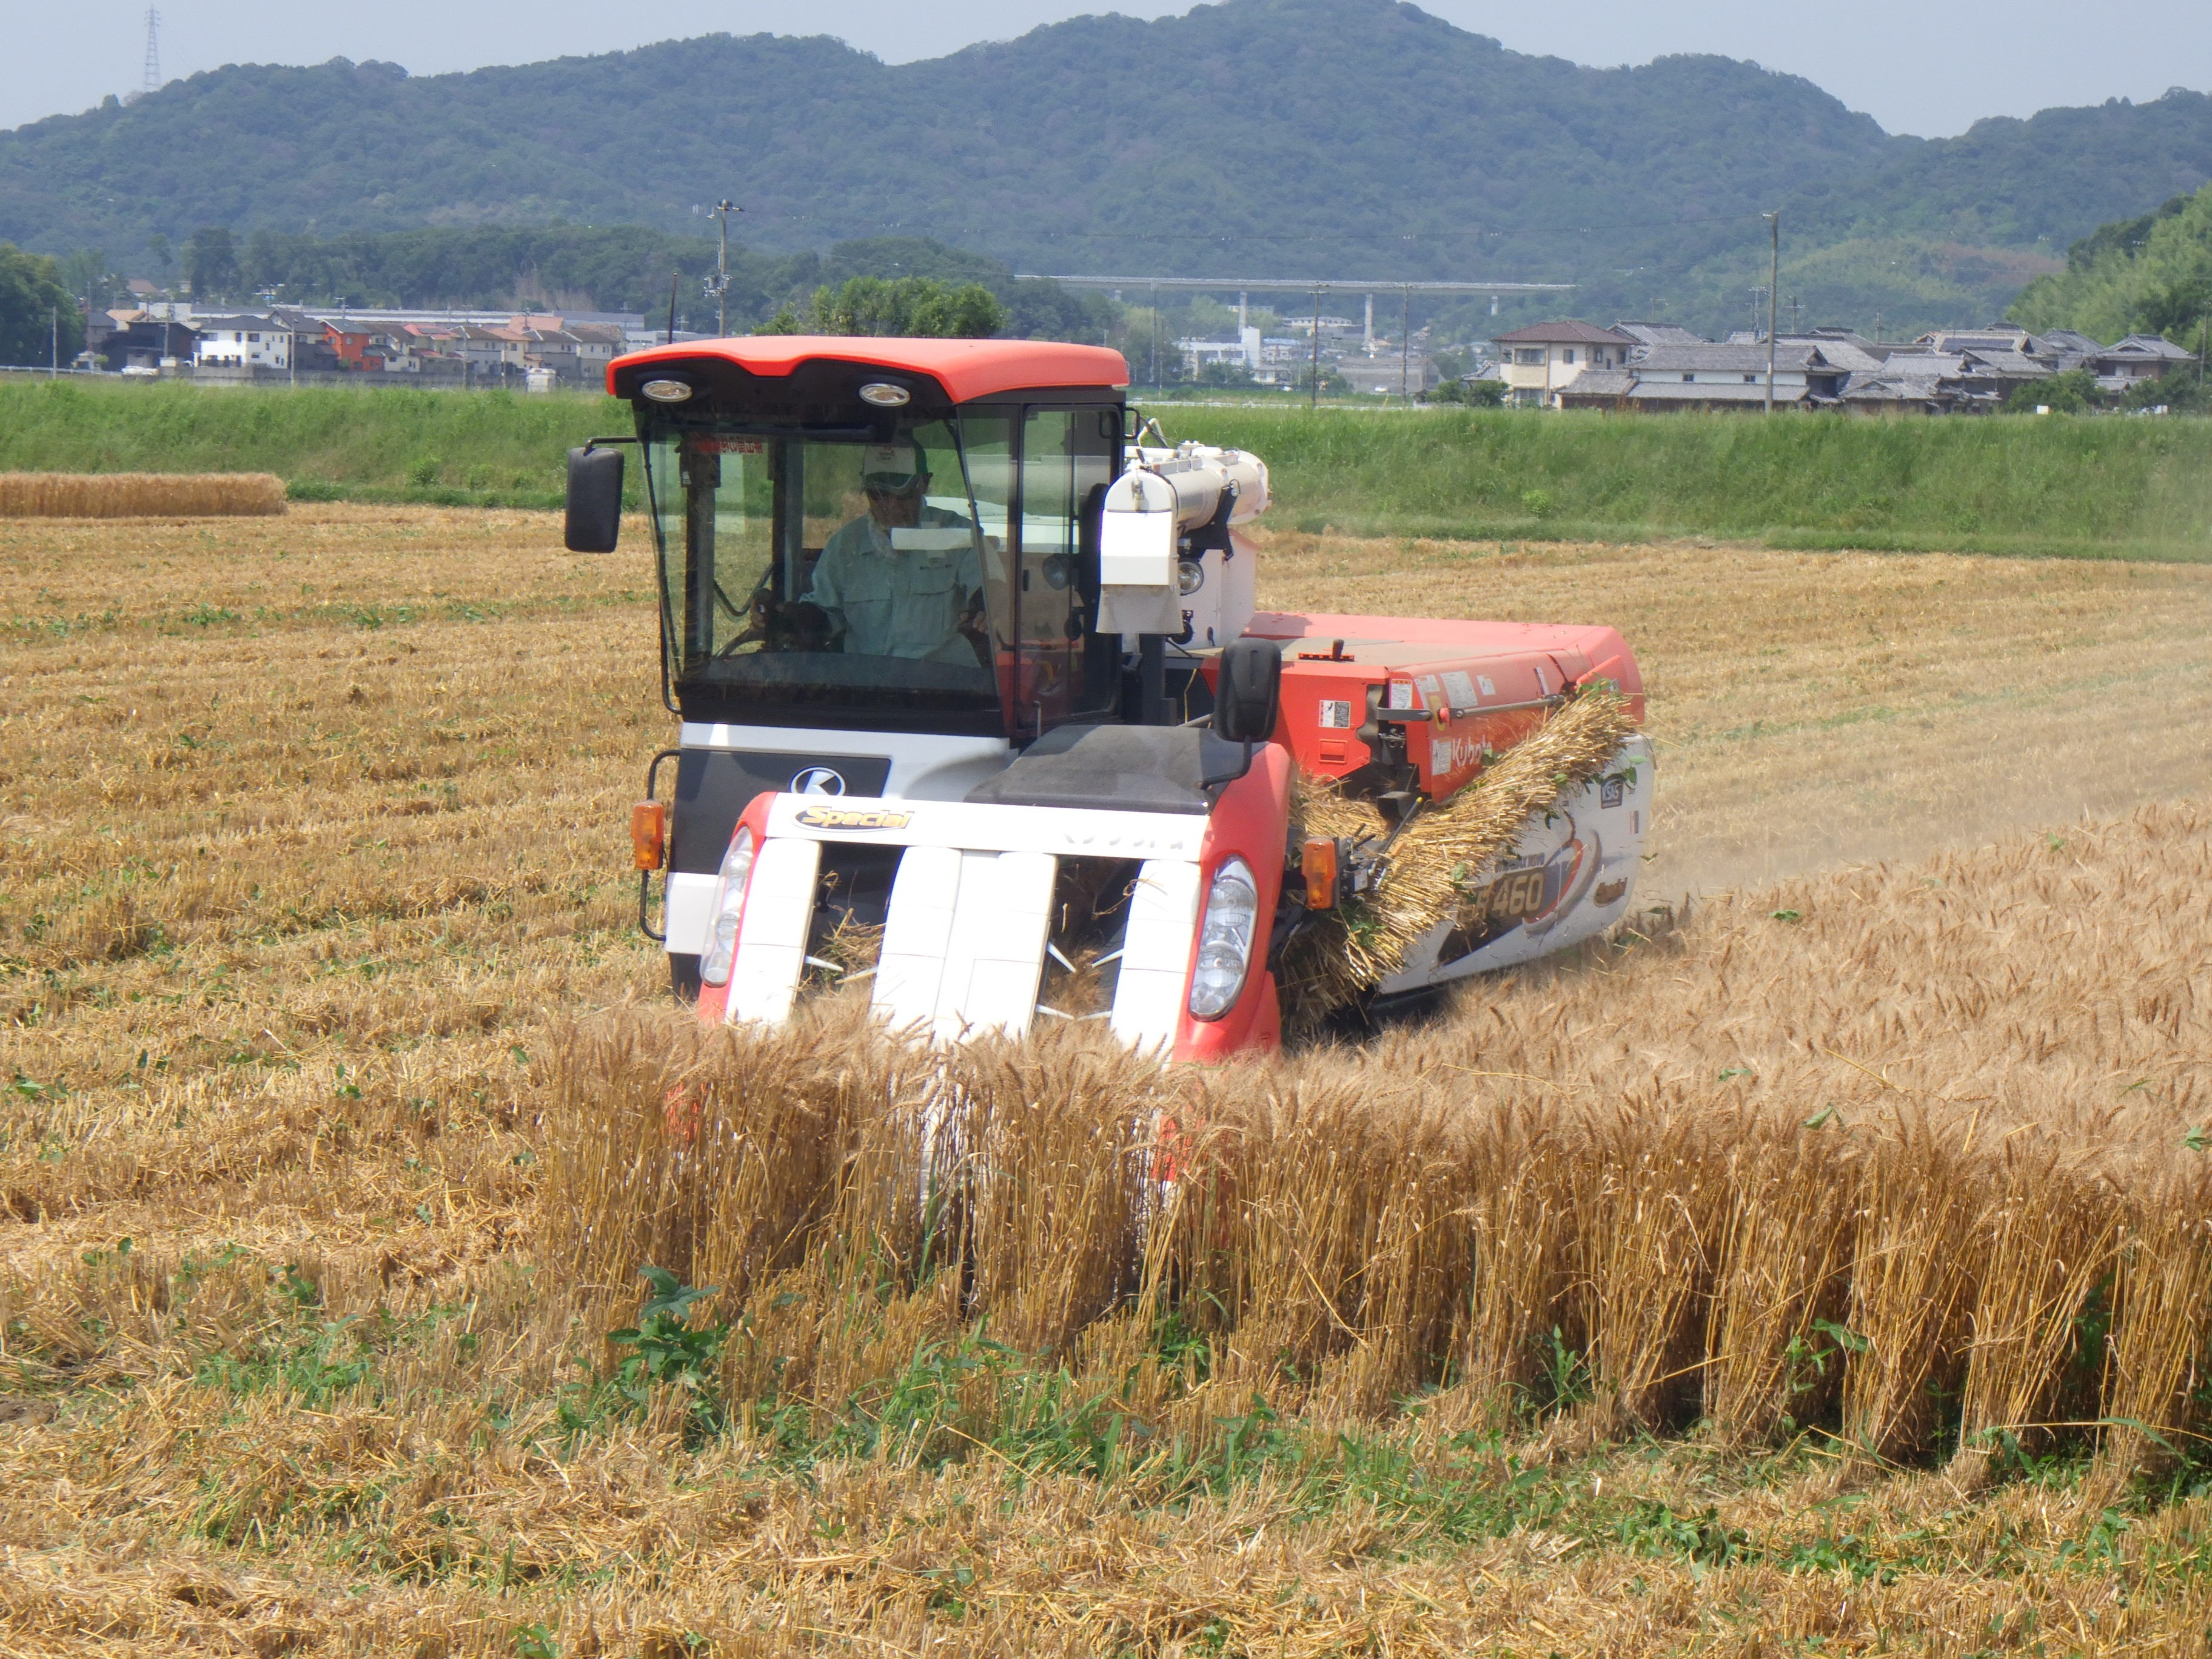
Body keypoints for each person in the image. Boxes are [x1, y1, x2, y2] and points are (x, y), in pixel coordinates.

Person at [798, 440, 987, 664]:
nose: (892, 506)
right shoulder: (845, 545)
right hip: (867, 679)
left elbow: (991, 590)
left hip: (943, 678)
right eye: (879, 495)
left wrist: (984, 608)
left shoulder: (959, 535)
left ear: (924, 483)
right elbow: (825, 610)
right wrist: (796, 619)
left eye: (904, 494)